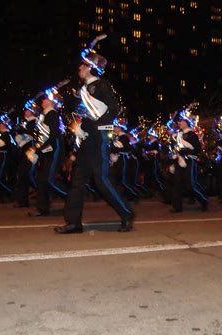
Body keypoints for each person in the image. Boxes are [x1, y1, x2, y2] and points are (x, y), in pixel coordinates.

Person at [54, 35, 134, 234]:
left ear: (90, 67)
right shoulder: (83, 90)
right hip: (85, 139)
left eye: (82, 66)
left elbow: (115, 108)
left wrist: (98, 126)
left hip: (98, 138)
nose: (79, 69)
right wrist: (78, 126)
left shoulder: (101, 85)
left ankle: (126, 213)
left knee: (101, 180)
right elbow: (80, 114)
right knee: (77, 181)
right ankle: (73, 222)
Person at [28, 87, 68, 217]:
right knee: (42, 180)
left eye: (45, 99)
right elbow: (42, 136)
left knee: (49, 180)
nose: (43, 101)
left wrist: (39, 148)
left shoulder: (52, 114)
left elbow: (53, 135)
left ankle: (72, 200)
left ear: (51, 102)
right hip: (46, 151)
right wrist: (37, 148)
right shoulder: (44, 115)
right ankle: (42, 208)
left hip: (52, 150)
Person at [171, 109, 208, 213]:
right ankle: (177, 207)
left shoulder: (192, 135)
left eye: (182, 121)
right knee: (177, 184)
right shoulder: (178, 135)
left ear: (187, 123)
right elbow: (175, 148)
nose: (180, 123)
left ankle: (204, 201)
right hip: (179, 161)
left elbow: (195, 148)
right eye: (179, 122)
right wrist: (174, 157)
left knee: (191, 184)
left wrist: (182, 143)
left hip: (189, 161)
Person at [14, 100, 39, 208]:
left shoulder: (35, 122)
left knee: (26, 175)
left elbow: (35, 135)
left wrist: (24, 130)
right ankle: (23, 201)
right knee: (23, 176)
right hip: (24, 152)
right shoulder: (25, 122)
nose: (25, 111)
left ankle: (42, 194)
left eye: (28, 110)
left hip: (31, 152)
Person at [0, 112, 17, 203]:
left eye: (1, 123)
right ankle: (1, 196)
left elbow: (7, 147)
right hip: (3, 158)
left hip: (4, 158)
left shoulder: (6, 135)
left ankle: (10, 193)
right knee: (0, 177)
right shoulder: (6, 135)